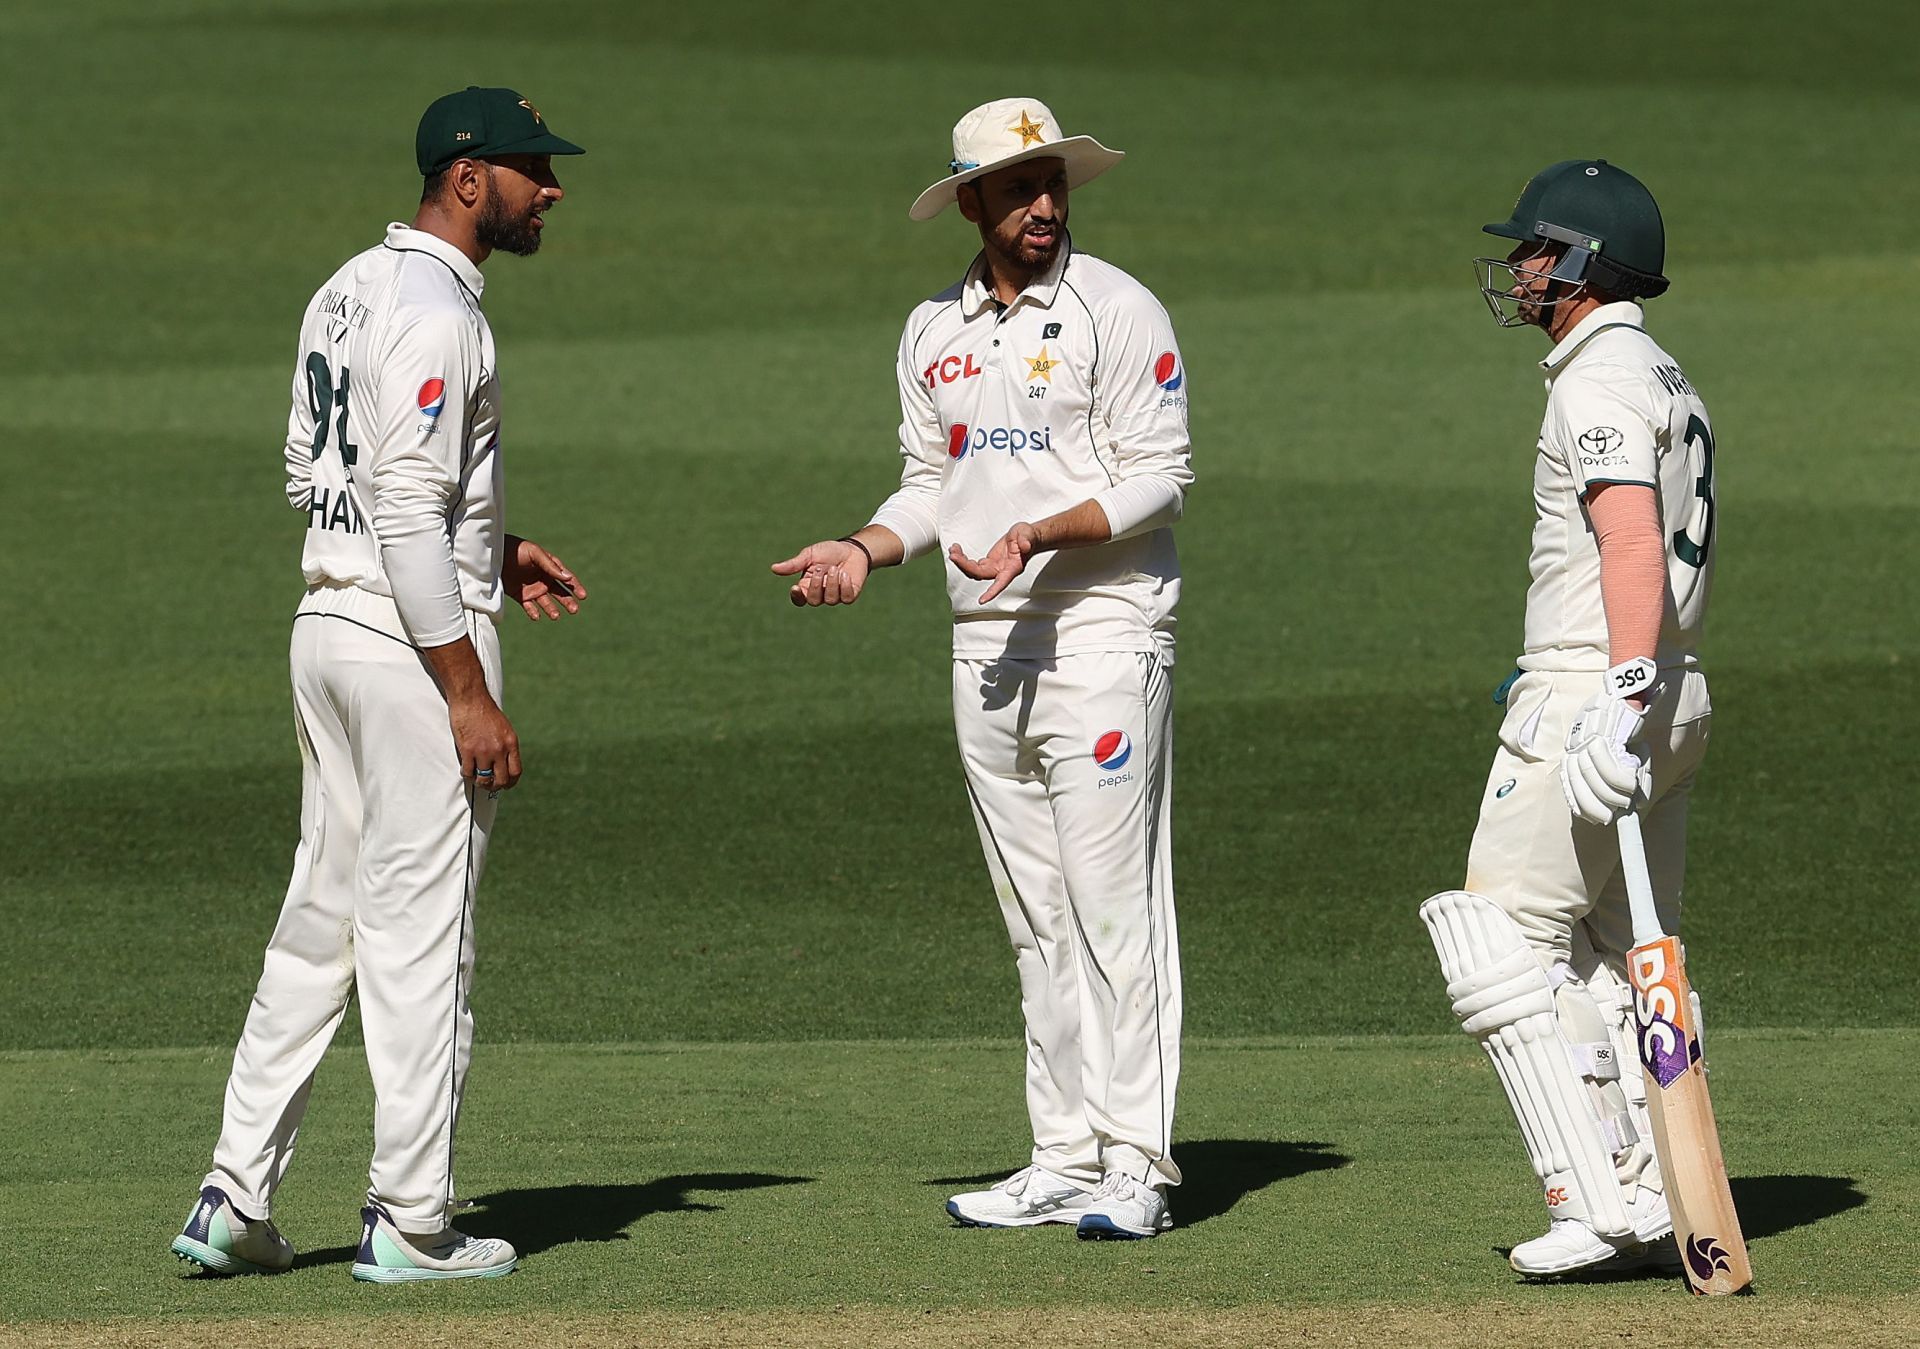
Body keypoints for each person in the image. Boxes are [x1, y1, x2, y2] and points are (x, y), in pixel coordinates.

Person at [169, 87, 587, 1282]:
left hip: (326, 627)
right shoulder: (441, 310)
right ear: (467, 179)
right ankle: (411, 1220)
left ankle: (234, 1197)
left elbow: (319, 472)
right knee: (421, 941)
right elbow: (405, 500)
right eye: (528, 168)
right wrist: (463, 681)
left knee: (319, 923)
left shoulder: (346, 285)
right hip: (408, 651)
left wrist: (490, 545)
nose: (550, 186)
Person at [772, 98, 1193, 1240]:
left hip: (1102, 633)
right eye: (1018, 189)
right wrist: (861, 548)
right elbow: (930, 482)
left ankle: (1137, 1162)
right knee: (1035, 915)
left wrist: (1040, 535)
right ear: (971, 201)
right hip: (984, 646)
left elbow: (1163, 475)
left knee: (1115, 910)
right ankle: (1061, 1151)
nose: (1045, 206)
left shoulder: (1117, 308)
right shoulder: (931, 330)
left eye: (1052, 184)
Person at [1420, 160, 1718, 1277]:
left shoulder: (1594, 379)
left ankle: (1590, 1199)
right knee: (1607, 948)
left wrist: (1617, 692)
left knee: (1498, 931)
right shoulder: (1664, 373)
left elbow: (1630, 539)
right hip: (1675, 689)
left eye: (1533, 250)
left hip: (1601, 689)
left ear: (1583, 262)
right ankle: (1647, 1182)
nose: (1518, 268)